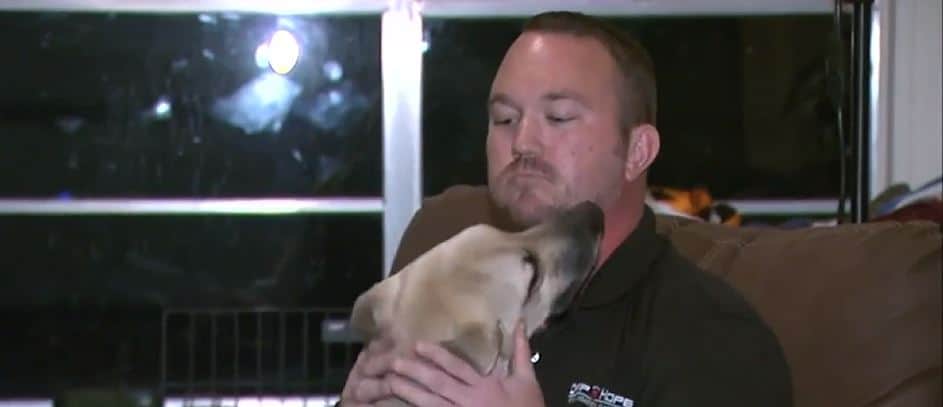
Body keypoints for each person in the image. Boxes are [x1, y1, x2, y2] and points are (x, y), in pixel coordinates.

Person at [337, 10, 793, 407]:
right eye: (505, 120)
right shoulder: (451, 279)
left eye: (558, 118)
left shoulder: (712, 340)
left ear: (637, 150)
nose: (522, 143)